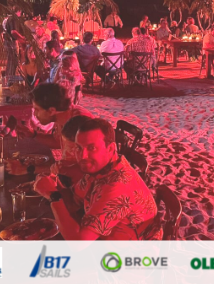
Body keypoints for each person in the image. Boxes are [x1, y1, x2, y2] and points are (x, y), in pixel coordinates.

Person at [33, 118, 161, 240]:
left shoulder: (117, 186)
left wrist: (53, 195)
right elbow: (73, 199)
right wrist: (52, 185)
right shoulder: (100, 169)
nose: (83, 156)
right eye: (79, 148)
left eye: (91, 148)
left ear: (110, 148)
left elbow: (78, 242)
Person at [16, 83, 93, 153]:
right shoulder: (60, 117)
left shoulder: (79, 123)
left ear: (51, 111)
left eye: (37, 110)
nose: (34, 114)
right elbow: (57, 142)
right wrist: (33, 134)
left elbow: (86, 158)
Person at [2, 8, 25, 77]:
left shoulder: (6, 19)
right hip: (12, 43)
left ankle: (8, 77)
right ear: (18, 11)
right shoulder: (13, 19)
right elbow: (13, 32)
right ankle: (11, 78)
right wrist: (22, 38)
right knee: (14, 61)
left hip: (6, 42)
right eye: (20, 12)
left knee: (10, 61)